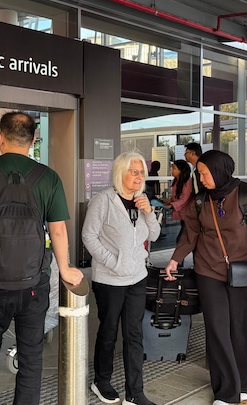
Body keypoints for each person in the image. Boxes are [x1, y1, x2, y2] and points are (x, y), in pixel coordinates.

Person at [0, 111, 83, 405]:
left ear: (0, 138)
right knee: (31, 358)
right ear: (34, 139)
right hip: (33, 285)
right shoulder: (47, 177)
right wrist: (66, 270)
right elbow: (58, 231)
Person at [164, 150, 247, 405]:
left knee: (242, 328)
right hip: (208, 270)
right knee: (217, 329)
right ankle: (226, 391)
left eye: (204, 173)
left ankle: (243, 381)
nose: (201, 179)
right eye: (199, 173)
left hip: (244, 272)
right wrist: (175, 259)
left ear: (219, 170)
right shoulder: (201, 201)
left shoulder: (246, 195)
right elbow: (191, 234)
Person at [82, 151, 161, 405]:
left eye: (141, 172)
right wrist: (113, 262)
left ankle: (134, 393)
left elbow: (155, 235)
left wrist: (149, 211)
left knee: (134, 334)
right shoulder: (103, 200)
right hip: (110, 280)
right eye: (134, 172)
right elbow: (88, 236)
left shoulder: (142, 200)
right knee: (108, 331)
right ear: (121, 173)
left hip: (137, 277)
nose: (139, 177)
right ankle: (101, 381)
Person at [165, 159, 194, 243]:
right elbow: (175, 196)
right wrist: (168, 202)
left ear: (181, 170)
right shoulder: (176, 181)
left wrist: (172, 205)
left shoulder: (187, 182)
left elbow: (185, 198)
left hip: (188, 214)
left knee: (181, 240)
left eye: (174, 168)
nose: (171, 170)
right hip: (183, 214)